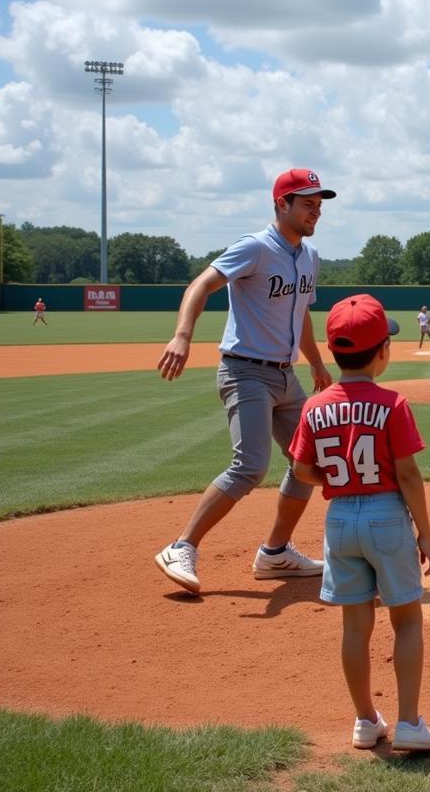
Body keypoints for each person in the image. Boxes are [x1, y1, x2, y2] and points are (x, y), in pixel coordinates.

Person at [154, 168, 336, 596]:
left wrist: (316, 362)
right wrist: (182, 334)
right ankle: (181, 546)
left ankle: (275, 553)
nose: (316, 212)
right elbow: (202, 284)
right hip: (245, 371)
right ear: (281, 204)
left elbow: (301, 314)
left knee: (310, 464)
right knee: (250, 467)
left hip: (285, 376)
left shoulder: (308, 257)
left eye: (319, 205)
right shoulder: (254, 247)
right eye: (307, 203)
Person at [289, 294, 430, 752]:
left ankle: (364, 721)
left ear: (334, 352)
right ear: (382, 352)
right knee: (408, 621)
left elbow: (300, 471)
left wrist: (335, 479)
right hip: (386, 516)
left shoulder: (314, 406)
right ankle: (410, 724)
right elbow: (409, 474)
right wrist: (426, 534)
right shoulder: (393, 404)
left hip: (339, 520)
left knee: (355, 628)